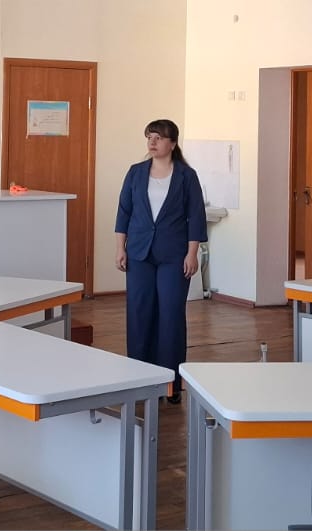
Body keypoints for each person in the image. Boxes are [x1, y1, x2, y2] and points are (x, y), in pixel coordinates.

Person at [115, 119, 208, 405]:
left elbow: (196, 216)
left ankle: (171, 383)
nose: (152, 143)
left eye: (158, 137)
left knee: (170, 315)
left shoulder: (186, 176)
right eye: (149, 137)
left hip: (174, 255)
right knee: (139, 313)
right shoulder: (135, 172)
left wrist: (192, 253)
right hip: (139, 253)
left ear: (172, 143)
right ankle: (139, 378)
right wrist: (120, 248)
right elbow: (124, 212)